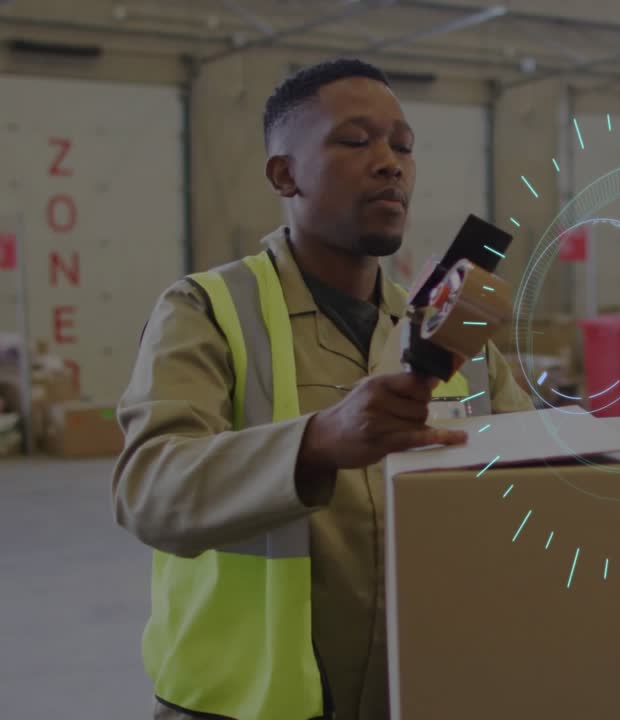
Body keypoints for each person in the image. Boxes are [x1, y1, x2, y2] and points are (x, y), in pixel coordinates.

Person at [111, 59, 535, 720]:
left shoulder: (451, 323)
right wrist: (316, 442)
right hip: (246, 704)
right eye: (355, 140)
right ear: (285, 173)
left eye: (403, 144)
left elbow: (543, 483)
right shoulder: (207, 310)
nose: (390, 162)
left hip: (418, 691)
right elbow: (150, 492)